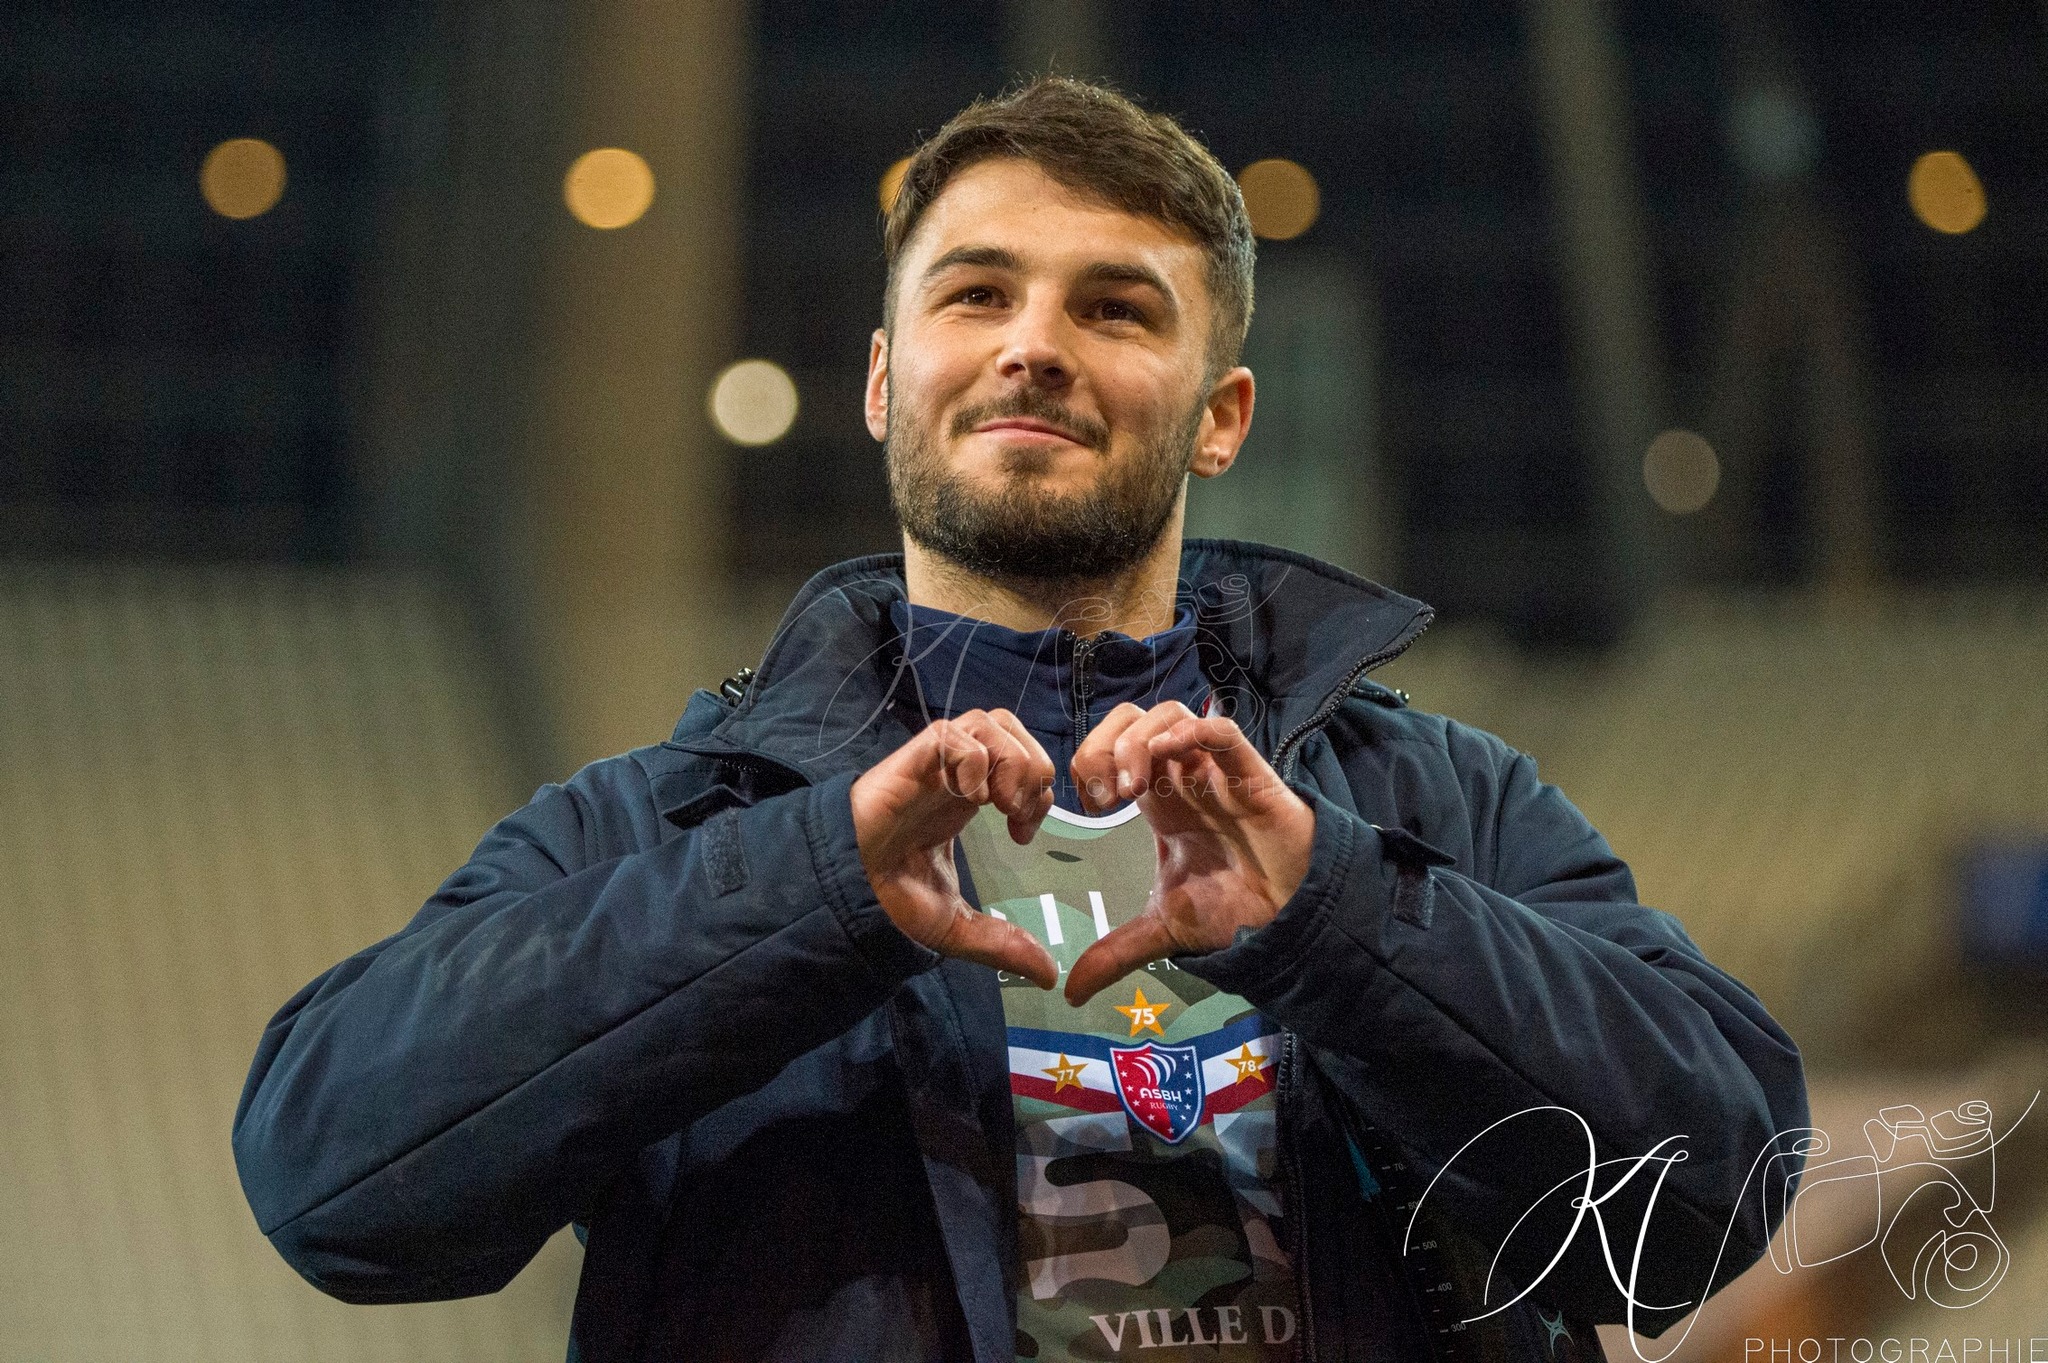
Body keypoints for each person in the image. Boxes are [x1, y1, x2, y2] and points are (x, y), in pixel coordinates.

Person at [233, 76, 1809, 1363]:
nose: (1033, 343)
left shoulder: (1432, 805)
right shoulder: (673, 825)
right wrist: (810, 892)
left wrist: (1333, 918)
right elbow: (332, 1180)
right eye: (975, 291)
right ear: (881, 380)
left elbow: (1712, 1198)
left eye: (1117, 308)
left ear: (1222, 416)